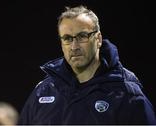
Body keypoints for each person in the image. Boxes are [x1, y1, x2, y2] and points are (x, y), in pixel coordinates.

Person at [18, 5, 156, 124]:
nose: (74, 46)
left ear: (98, 39)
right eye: (67, 38)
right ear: (61, 43)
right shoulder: (43, 91)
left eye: (82, 36)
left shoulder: (127, 94)